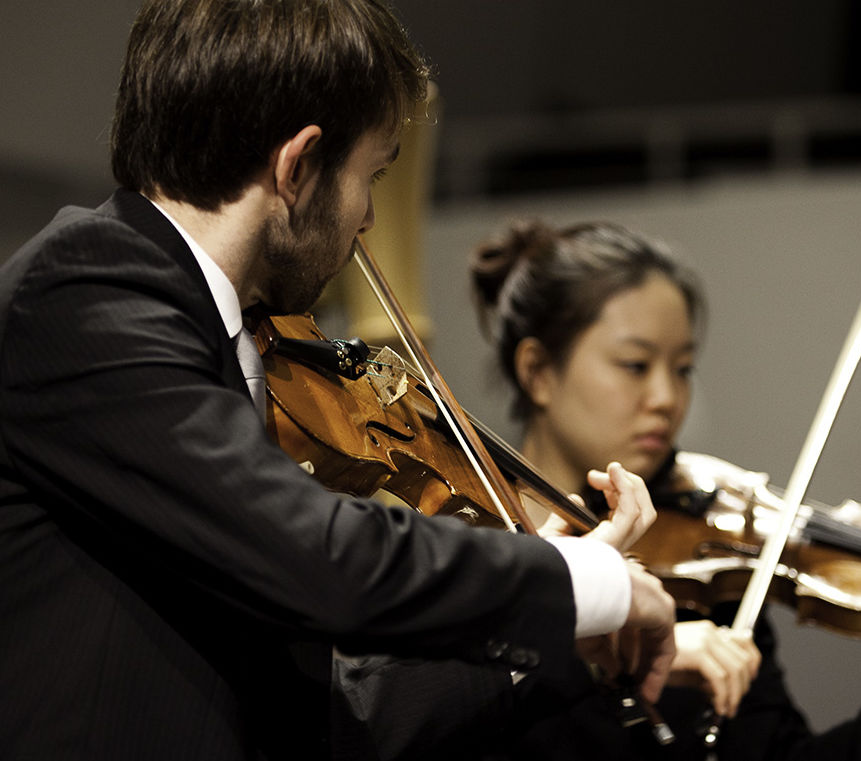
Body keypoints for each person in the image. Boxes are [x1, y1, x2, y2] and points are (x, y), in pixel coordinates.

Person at [0, 3, 677, 760]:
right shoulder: (86, 289)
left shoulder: (223, 339)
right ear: (298, 167)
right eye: (372, 175)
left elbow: (317, 714)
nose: (366, 219)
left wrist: (552, 628)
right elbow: (323, 557)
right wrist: (574, 575)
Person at [468, 219, 861, 760]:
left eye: (682, 368)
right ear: (538, 373)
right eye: (635, 365)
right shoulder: (470, 557)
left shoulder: (713, 575)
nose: (667, 398)